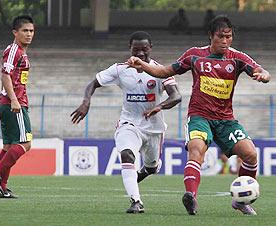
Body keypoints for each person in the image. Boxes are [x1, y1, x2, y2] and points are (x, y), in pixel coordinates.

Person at [127, 15, 271, 216]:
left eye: (229, 37)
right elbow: (166, 71)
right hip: (199, 117)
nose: (225, 41)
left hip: (226, 120)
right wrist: (144, 66)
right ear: (211, 36)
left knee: (251, 154)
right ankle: (191, 196)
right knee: (196, 150)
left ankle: (240, 201)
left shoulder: (237, 57)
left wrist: (264, 75)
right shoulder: (194, 55)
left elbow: (259, 69)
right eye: (221, 36)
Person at [71, 31, 182, 213]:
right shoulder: (120, 69)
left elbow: (176, 96)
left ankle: (147, 170)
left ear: (150, 49)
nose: (139, 54)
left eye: (144, 50)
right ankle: (136, 201)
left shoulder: (160, 71)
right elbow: (93, 83)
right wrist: (86, 101)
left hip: (154, 128)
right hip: (128, 123)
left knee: (152, 167)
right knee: (127, 154)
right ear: (130, 48)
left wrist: (159, 107)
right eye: (136, 49)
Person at [0, 15, 35, 198]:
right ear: (15, 32)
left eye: (31, 31)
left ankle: (1, 188)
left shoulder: (19, 51)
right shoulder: (15, 50)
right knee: (25, 143)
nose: (29, 34)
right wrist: (14, 100)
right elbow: (5, 75)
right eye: (25, 31)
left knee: (8, 146)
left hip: (8, 102)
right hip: (14, 103)